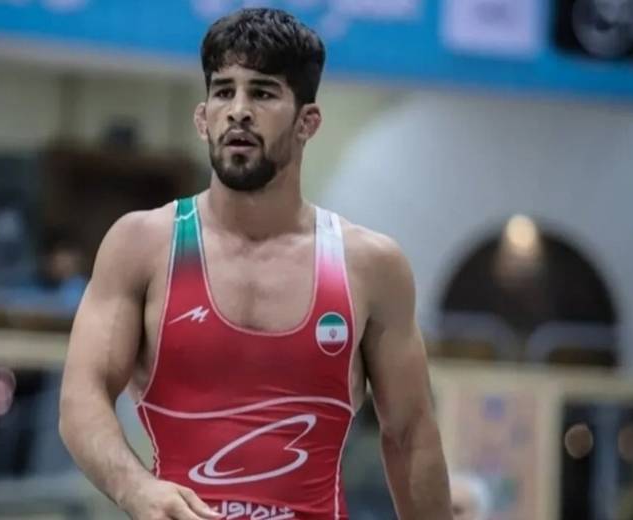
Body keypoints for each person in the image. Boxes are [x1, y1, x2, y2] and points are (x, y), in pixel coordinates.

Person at [59, 8, 452, 519]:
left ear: (308, 122)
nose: (238, 111)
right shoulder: (142, 245)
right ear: (202, 118)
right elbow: (81, 398)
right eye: (224, 92)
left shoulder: (370, 266)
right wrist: (135, 488)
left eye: (263, 93)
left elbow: (411, 435)